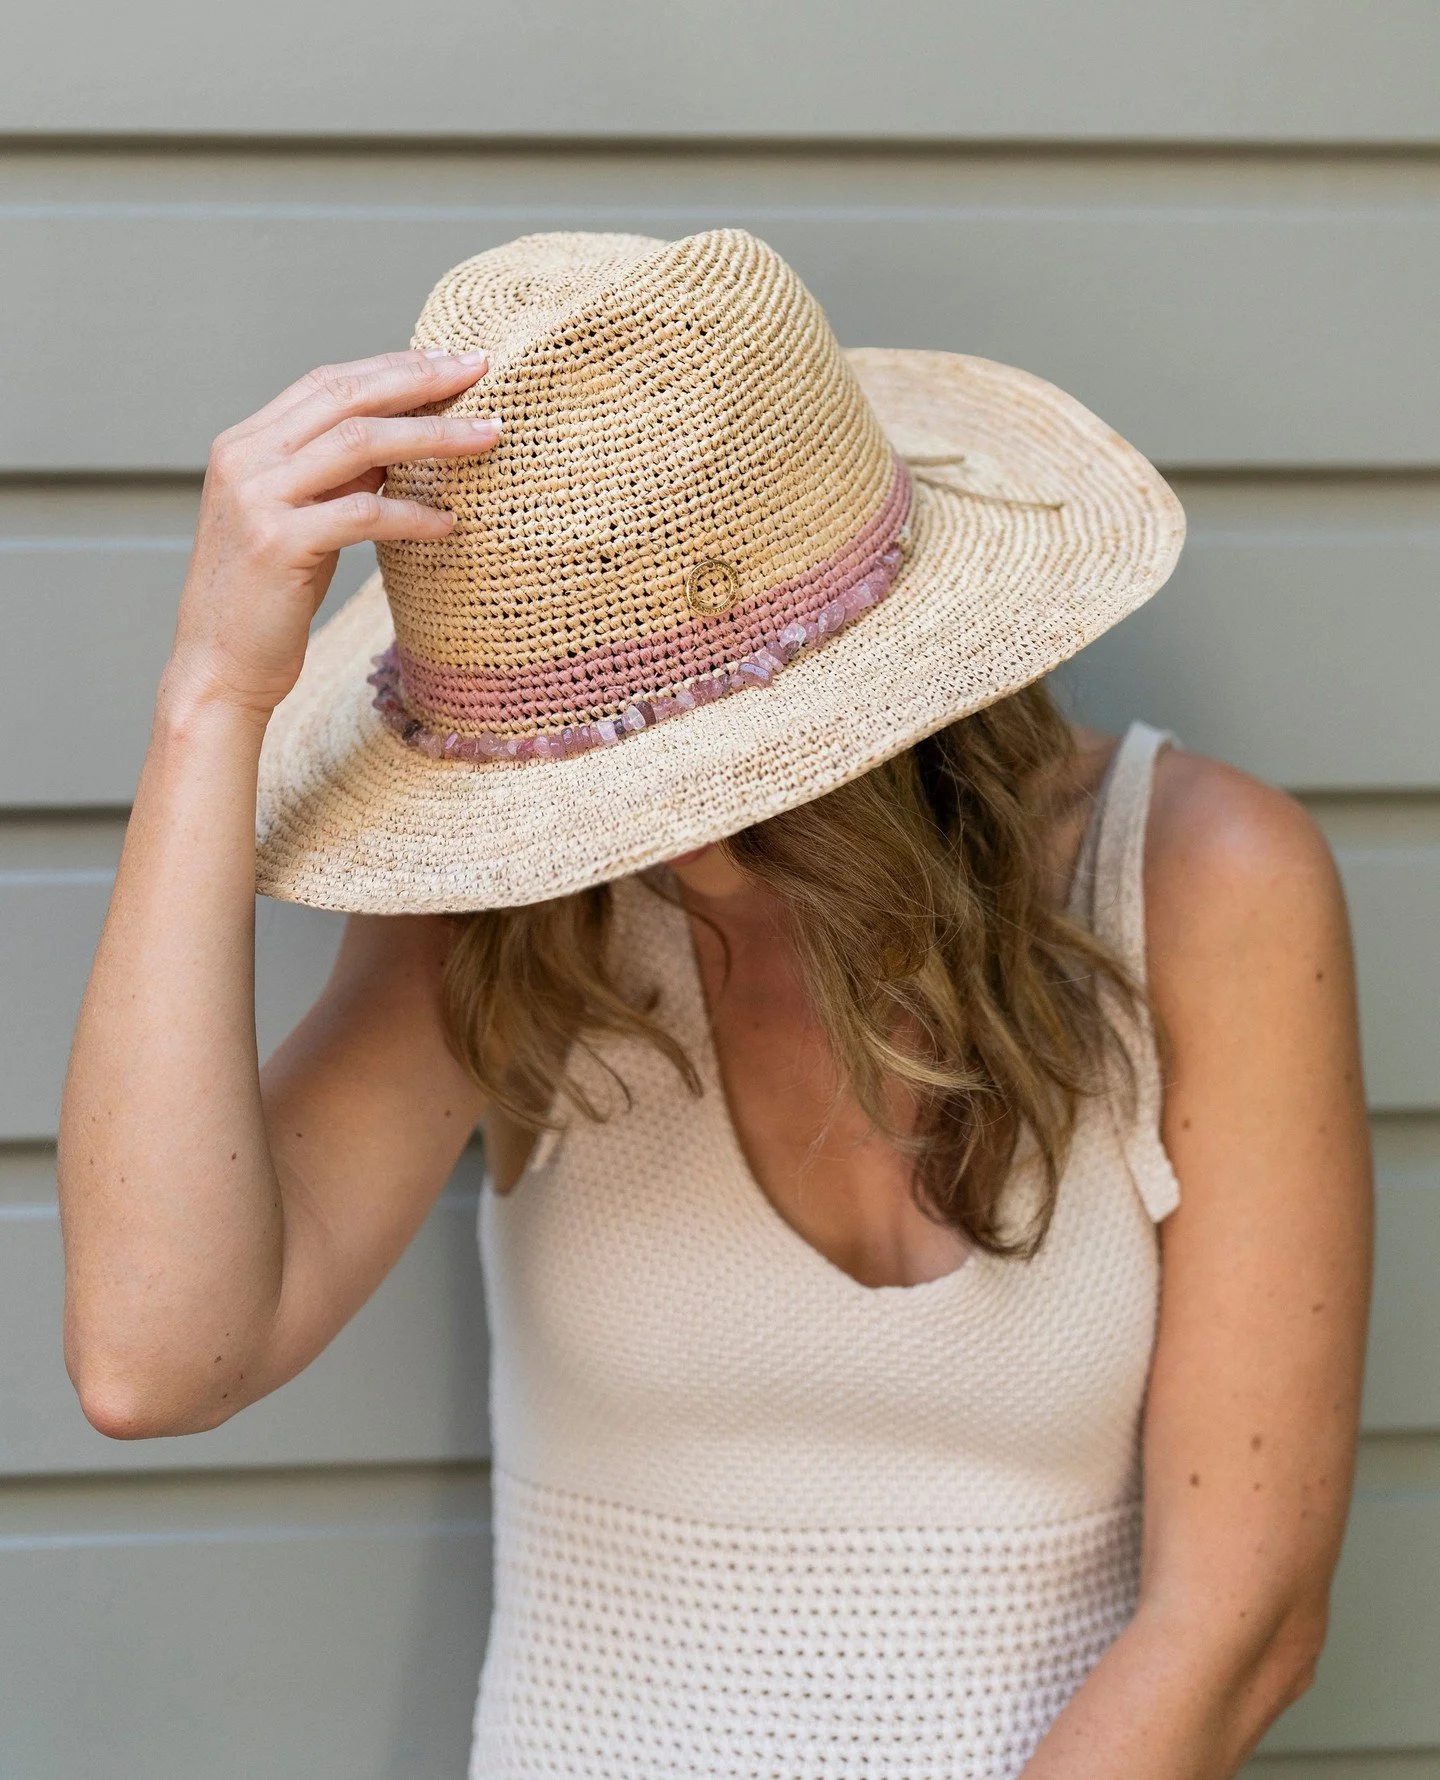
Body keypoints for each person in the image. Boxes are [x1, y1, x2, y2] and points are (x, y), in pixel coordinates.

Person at [58, 230, 1372, 1778]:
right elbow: (154, 1359)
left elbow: (1241, 1627)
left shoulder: (1205, 884)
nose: (630, 824)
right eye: (579, 753)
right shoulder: (516, 911)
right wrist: (209, 702)